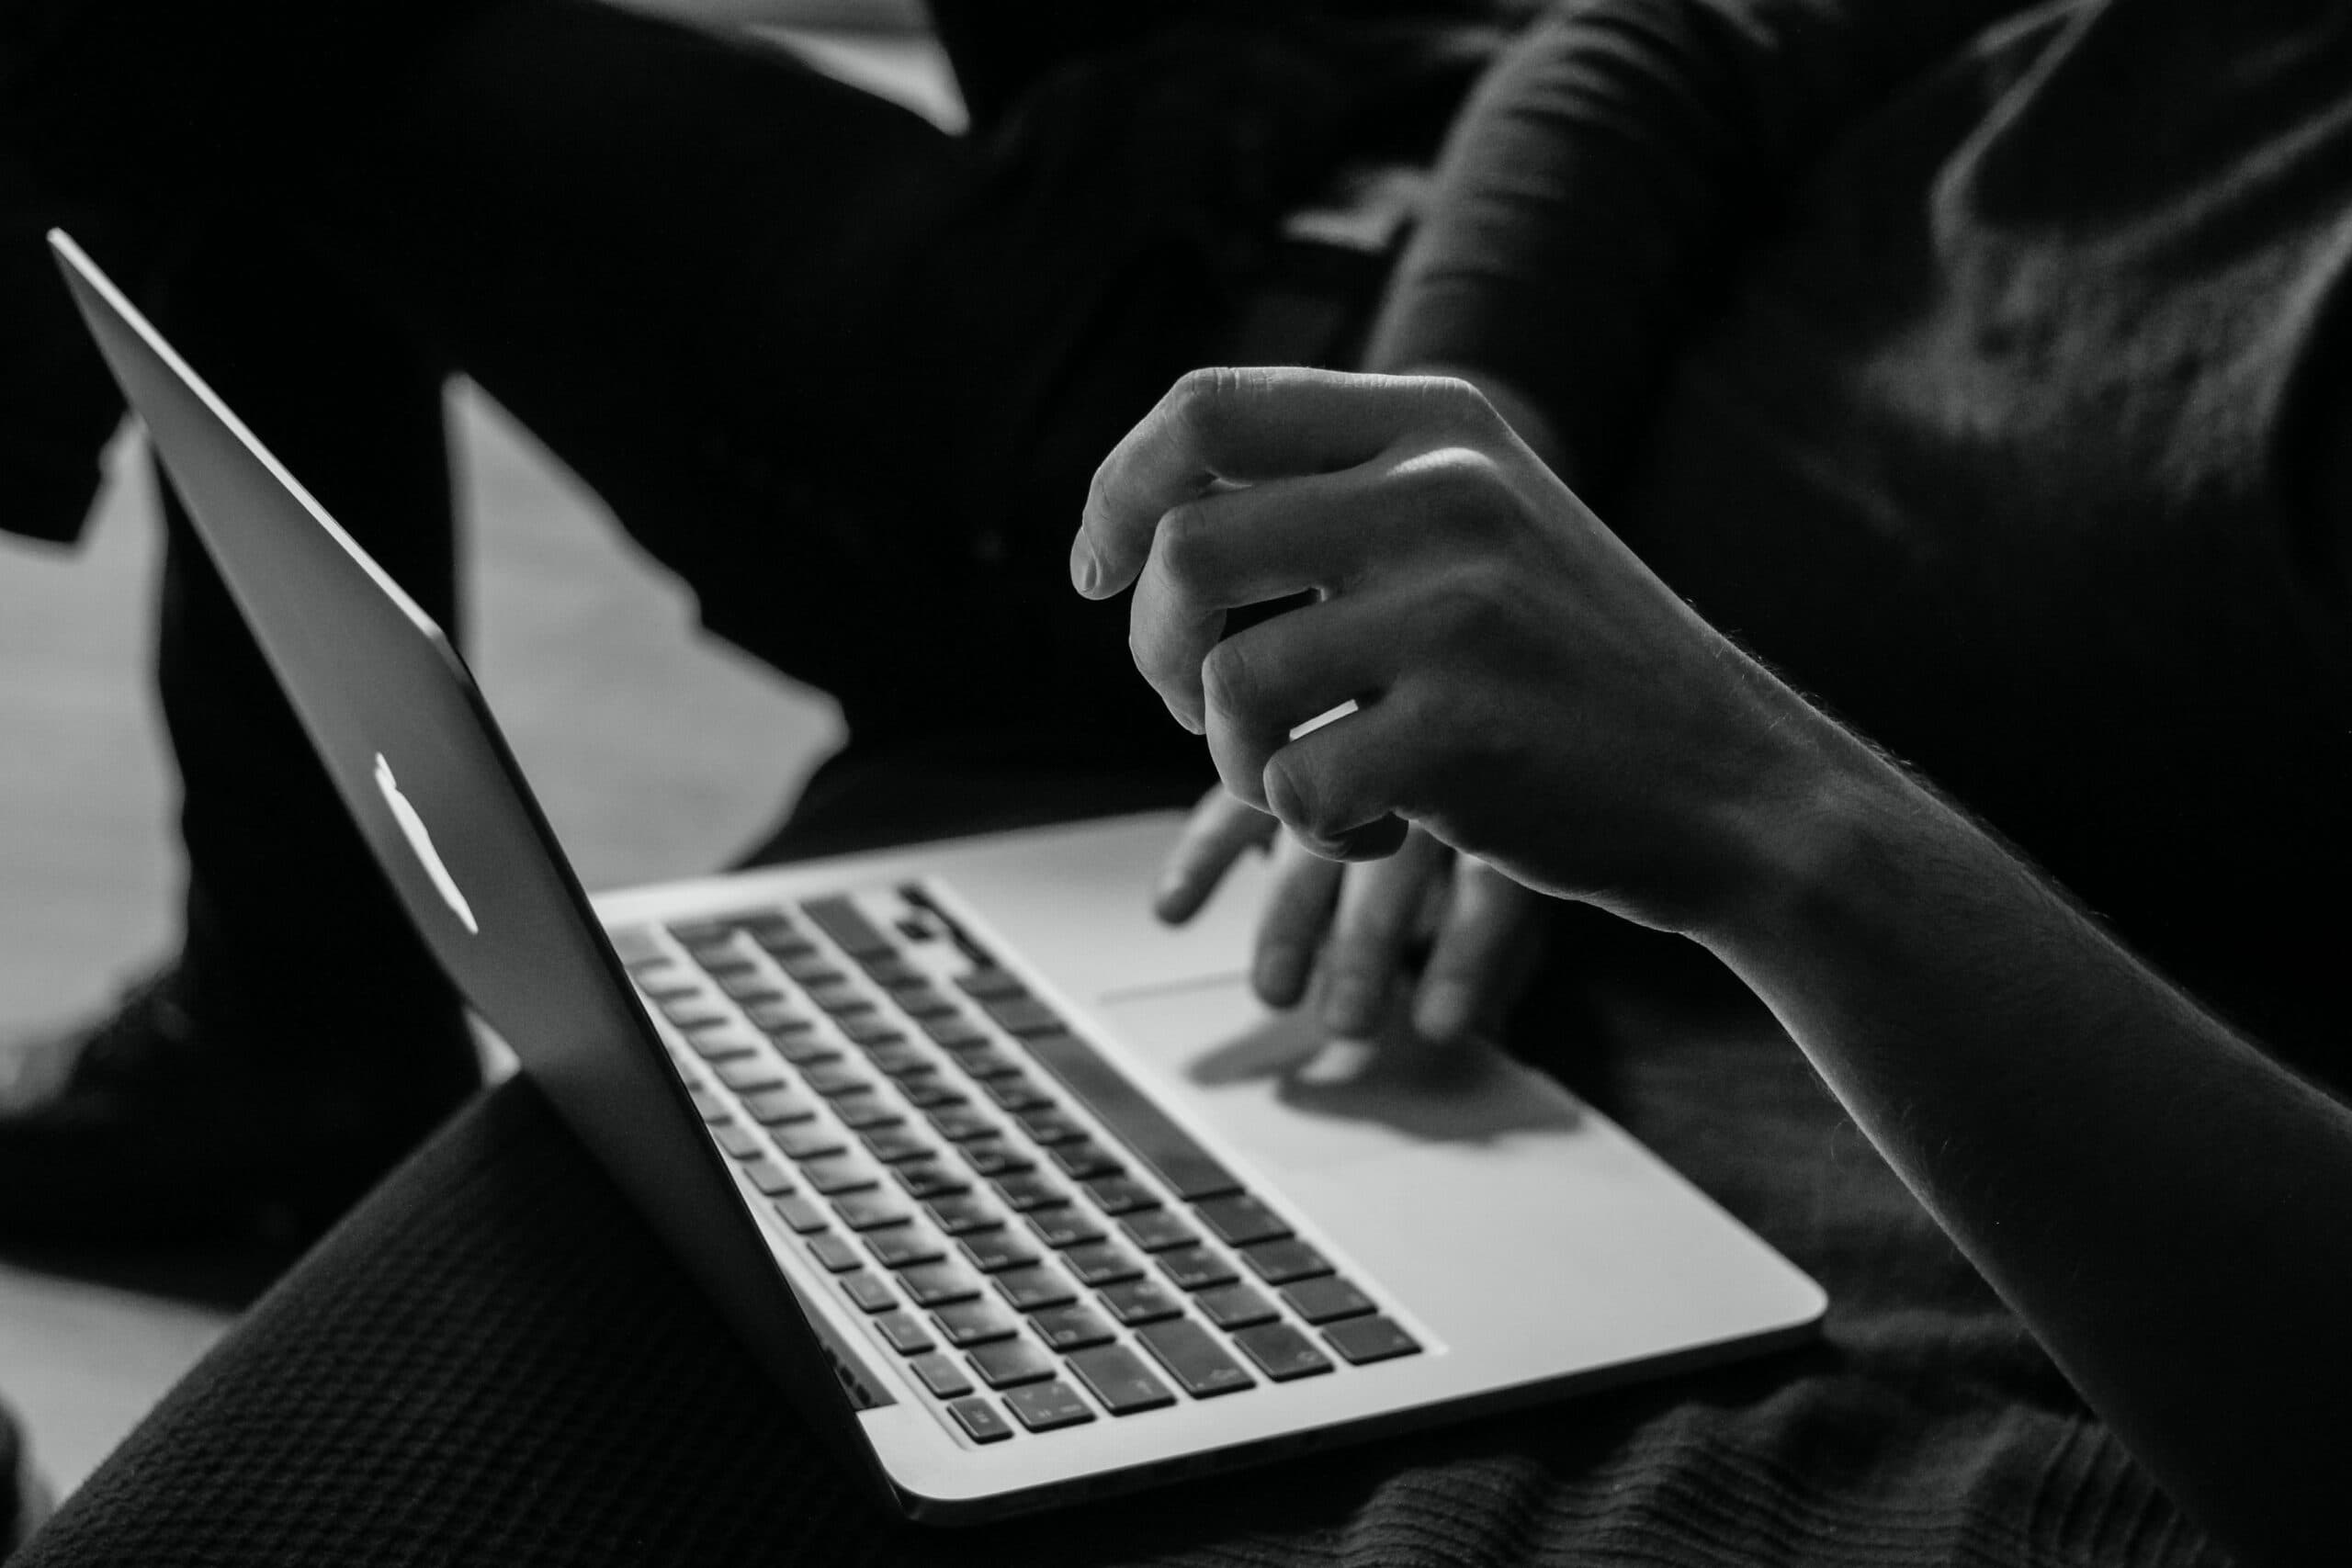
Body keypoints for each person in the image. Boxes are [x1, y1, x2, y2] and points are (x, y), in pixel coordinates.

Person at [0, 0, 2346, 1561]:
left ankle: (280, 1041)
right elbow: (1657, 42)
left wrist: (1754, 796)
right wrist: (1471, 455)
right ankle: (287, 1024)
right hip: (1306, 223)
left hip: (1133, 484)